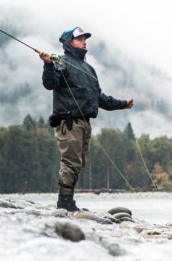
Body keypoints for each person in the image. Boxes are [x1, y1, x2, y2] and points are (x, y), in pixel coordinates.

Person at [39, 26, 134, 212]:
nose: (84, 41)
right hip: (68, 122)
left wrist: (123, 103)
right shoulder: (61, 63)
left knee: (79, 163)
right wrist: (48, 64)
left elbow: (101, 99)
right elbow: (49, 84)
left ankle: (68, 201)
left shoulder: (89, 69)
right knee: (70, 162)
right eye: (80, 38)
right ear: (69, 42)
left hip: (84, 123)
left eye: (85, 38)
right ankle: (64, 203)